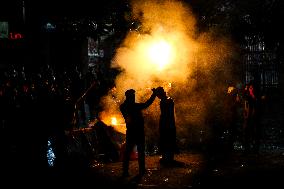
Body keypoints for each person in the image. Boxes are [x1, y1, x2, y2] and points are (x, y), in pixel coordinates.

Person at [119, 88, 156, 176]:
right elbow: (147, 104)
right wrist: (154, 94)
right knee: (140, 151)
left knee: (128, 152)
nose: (134, 97)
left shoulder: (123, 106)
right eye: (133, 95)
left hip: (130, 131)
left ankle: (125, 171)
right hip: (138, 131)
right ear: (130, 97)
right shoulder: (135, 106)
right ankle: (142, 170)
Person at [155, 86, 177, 165]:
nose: (157, 96)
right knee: (168, 140)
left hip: (166, 123)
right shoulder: (168, 99)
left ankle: (167, 158)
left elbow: (165, 114)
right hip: (169, 123)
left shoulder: (166, 101)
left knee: (166, 140)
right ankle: (168, 157)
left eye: (158, 94)